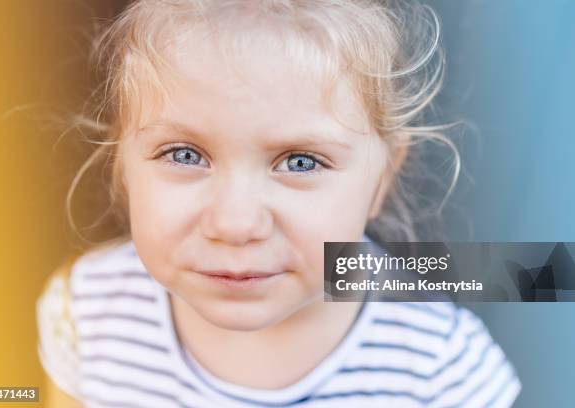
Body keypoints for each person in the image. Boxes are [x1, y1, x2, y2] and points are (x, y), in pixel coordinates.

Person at [36, 1, 521, 406]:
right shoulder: (87, 311)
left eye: (301, 163)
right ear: (120, 162)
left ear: (381, 181)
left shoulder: (441, 368)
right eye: (184, 155)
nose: (235, 223)